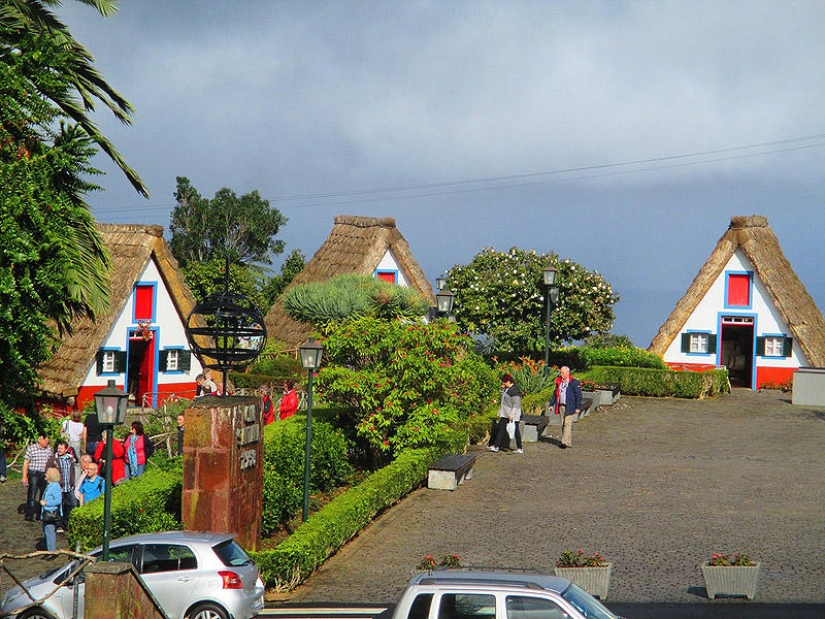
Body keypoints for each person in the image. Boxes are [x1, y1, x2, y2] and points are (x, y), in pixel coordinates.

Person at [549, 365, 582, 449]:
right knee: (563, 424)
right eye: (561, 372)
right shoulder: (559, 382)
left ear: (567, 373)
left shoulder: (574, 383)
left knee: (567, 423)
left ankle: (564, 442)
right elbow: (555, 394)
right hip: (561, 406)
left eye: (563, 373)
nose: (561, 374)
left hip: (570, 406)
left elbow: (578, 396)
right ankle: (568, 442)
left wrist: (578, 407)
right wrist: (551, 404)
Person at [489, 374, 524, 453]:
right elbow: (504, 397)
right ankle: (496, 446)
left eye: (504, 382)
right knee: (501, 429)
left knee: (515, 431)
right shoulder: (507, 389)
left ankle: (519, 447)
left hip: (512, 414)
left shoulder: (515, 391)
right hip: (505, 414)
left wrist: (512, 415)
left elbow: (516, 404)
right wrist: (502, 390)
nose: (503, 383)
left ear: (508, 381)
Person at [22, 433, 52, 521]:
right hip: (34, 474)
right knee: (32, 494)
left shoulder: (49, 449)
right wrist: (24, 476)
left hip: (45, 474)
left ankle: (40, 513)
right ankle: (29, 514)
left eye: (47, 440)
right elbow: (26, 463)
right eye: (45, 440)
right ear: (39, 440)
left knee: (43, 495)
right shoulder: (32, 449)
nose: (47, 441)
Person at [49, 440, 77, 531]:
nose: (59, 450)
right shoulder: (54, 459)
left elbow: (74, 465)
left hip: (69, 486)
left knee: (72, 504)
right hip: (59, 487)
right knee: (58, 506)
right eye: (58, 448)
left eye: (61, 448)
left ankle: (66, 522)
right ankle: (58, 524)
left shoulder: (70, 459)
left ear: (66, 449)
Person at [40, 467, 63, 553]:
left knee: (50, 533)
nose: (45, 474)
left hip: (51, 514)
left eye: (47, 473)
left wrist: (46, 503)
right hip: (47, 513)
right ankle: (50, 550)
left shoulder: (55, 486)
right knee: (47, 532)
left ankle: (52, 551)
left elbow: (58, 500)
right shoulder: (49, 486)